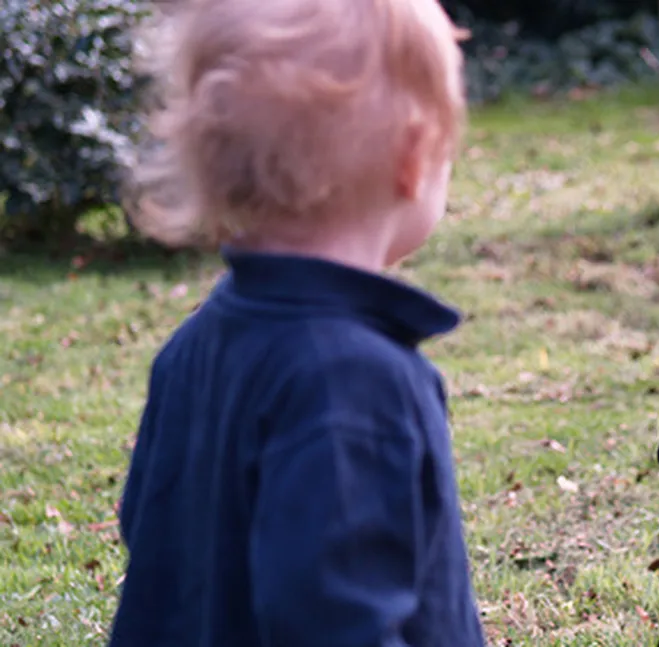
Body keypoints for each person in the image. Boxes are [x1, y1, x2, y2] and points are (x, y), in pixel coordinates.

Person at [107, 1, 486, 645]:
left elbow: (150, 530)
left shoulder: (193, 346)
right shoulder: (359, 383)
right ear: (414, 155)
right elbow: (339, 622)